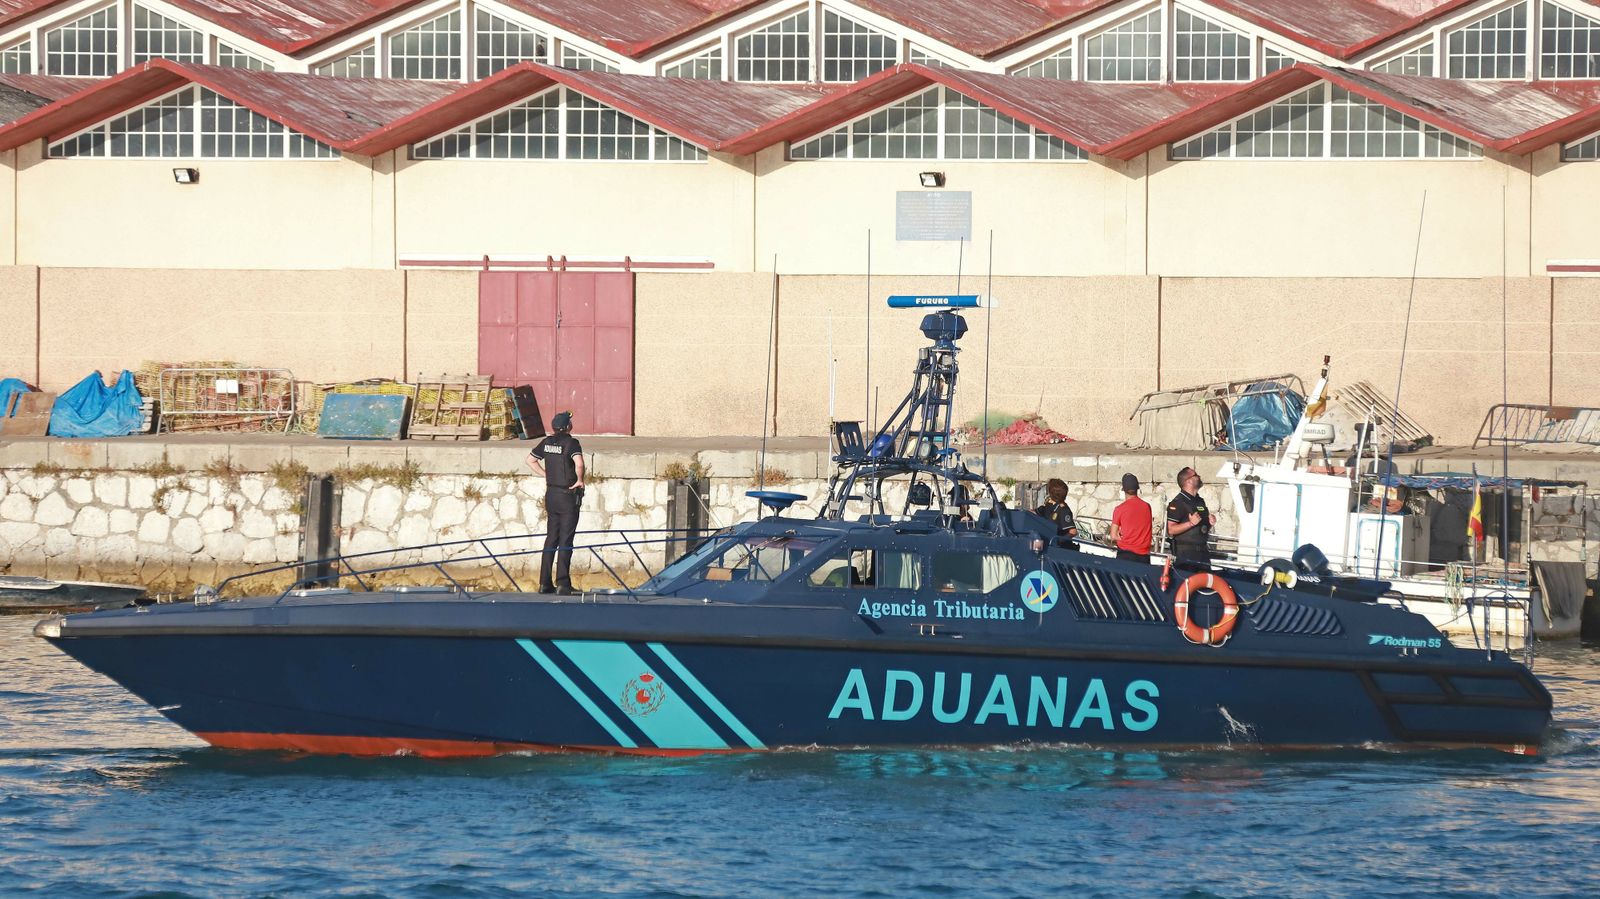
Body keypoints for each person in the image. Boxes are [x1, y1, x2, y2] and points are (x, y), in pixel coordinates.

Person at [525, 411, 584, 595]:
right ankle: (563, 584)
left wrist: (547, 475)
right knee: (566, 540)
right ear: (567, 427)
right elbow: (579, 463)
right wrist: (580, 480)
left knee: (551, 539)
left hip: (551, 495)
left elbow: (530, 460)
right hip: (567, 496)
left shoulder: (547, 442)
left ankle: (544, 583)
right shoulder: (572, 443)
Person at [1166, 466, 1215, 569]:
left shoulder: (1199, 501)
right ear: (1188, 481)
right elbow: (1171, 530)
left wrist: (1209, 522)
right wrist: (1190, 523)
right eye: (1195, 475)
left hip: (1203, 553)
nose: (1199, 476)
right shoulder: (1178, 503)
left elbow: (1201, 527)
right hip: (1186, 555)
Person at [1108, 473, 1153, 564]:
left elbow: (1113, 536)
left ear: (1123, 489)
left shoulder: (1119, 509)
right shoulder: (1147, 507)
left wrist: (1124, 538)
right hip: (1144, 556)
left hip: (1125, 554)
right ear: (1137, 488)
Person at [1035, 478, 1078, 550]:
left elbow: (1073, 532)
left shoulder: (1063, 510)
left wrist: (1058, 541)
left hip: (1061, 549)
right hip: (1046, 546)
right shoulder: (1049, 505)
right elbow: (1036, 512)